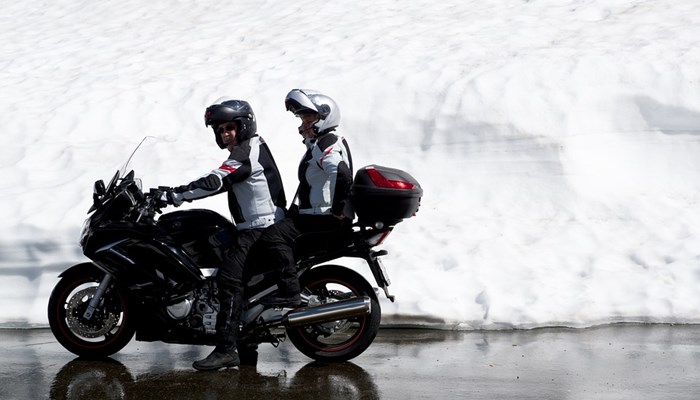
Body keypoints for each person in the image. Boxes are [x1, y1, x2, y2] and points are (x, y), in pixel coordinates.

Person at [157, 97, 286, 371]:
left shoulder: (245, 153)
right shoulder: (249, 147)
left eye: (230, 127)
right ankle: (246, 337)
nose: (225, 134)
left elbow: (216, 180)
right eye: (220, 129)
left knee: (229, 279)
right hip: (258, 225)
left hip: (260, 228)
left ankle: (227, 349)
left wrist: (176, 194)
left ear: (244, 125)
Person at [255, 89, 353, 306]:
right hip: (317, 214)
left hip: (326, 218)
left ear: (325, 117)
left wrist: (338, 210)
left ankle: (290, 292)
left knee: (273, 237)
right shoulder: (320, 143)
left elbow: (343, 174)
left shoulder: (327, 143)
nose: (304, 123)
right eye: (302, 117)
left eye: (309, 117)